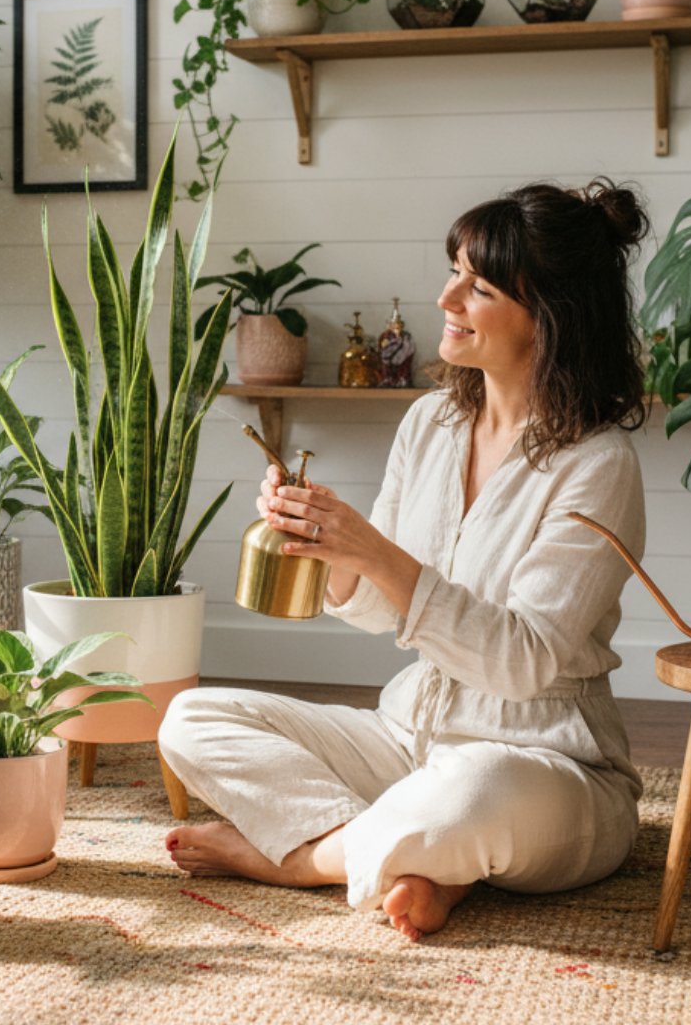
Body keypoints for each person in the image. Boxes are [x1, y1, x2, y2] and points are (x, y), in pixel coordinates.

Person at [158, 179, 652, 942]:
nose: (447, 297)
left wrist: (374, 548)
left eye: (478, 286)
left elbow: (525, 660)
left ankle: (304, 859)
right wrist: (328, 541)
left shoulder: (598, 462)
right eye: (453, 270)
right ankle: (424, 862)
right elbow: (377, 608)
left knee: (471, 793)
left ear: (548, 318)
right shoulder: (431, 421)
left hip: (546, 764)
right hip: (407, 738)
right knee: (193, 717)